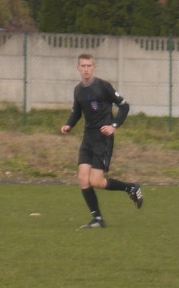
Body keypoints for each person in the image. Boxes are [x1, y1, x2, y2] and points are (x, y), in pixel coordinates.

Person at [60, 53, 143, 229]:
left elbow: (124, 106)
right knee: (83, 179)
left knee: (96, 181)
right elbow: (77, 112)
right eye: (83, 66)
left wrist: (114, 125)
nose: (86, 69)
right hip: (88, 138)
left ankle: (132, 188)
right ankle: (97, 219)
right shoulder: (78, 90)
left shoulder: (103, 86)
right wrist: (68, 125)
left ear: (94, 68)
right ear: (78, 68)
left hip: (102, 139)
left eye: (89, 66)